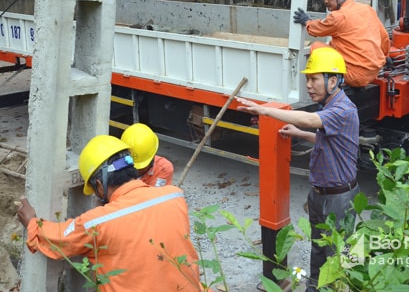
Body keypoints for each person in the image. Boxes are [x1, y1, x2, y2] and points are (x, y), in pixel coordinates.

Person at [236, 45, 360, 291]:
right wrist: (300, 134)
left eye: (314, 79)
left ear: (333, 81)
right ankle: (314, 287)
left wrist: (263, 110)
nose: (309, 85)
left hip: (340, 197)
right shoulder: (332, 108)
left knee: (339, 254)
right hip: (321, 193)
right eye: (307, 79)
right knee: (318, 247)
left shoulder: (344, 110)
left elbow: (311, 120)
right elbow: (327, 138)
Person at [17, 135, 203, 292]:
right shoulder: (174, 197)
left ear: (99, 185)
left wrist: (32, 222)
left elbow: (58, 239)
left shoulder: (98, 221)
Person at [293, 0, 390, 88]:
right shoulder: (367, 9)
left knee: (316, 46)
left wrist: (306, 21)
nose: (326, 1)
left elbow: (316, 30)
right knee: (335, 43)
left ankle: (334, 82)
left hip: (354, 76)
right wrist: (385, 56)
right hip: (373, 72)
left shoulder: (338, 16)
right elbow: (384, 38)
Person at [121, 122, 174, 187]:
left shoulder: (163, 169)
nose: (136, 170)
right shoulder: (113, 166)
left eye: (141, 168)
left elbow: (157, 195)